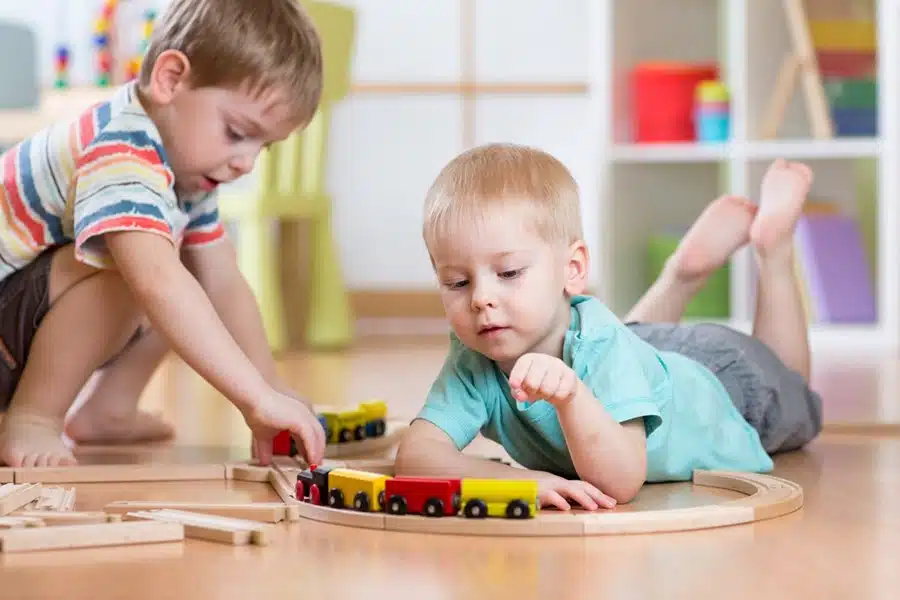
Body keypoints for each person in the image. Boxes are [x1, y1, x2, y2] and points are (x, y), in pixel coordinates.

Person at [394, 144, 823, 511]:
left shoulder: (599, 343)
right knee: (627, 338)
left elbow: (620, 481)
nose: (480, 298)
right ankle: (682, 274)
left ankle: (774, 249)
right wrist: (518, 483)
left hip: (723, 385)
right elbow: (416, 456)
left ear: (573, 268)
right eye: (457, 282)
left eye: (508, 272)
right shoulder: (476, 357)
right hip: (644, 348)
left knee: (795, 391)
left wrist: (570, 396)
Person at [0, 0, 327, 468]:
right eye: (237, 133)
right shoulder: (122, 148)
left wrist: (270, 388)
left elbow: (223, 282)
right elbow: (157, 282)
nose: (246, 163)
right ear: (171, 79)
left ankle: (108, 408)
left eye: (264, 146)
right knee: (142, 271)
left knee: (181, 270)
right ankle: (32, 418)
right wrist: (253, 398)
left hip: (17, 329)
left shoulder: (185, 169)